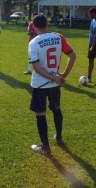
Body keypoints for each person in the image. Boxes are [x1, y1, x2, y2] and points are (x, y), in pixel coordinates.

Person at [28, 15, 76, 157]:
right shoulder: (58, 37)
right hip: (55, 84)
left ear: (34, 27)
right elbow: (72, 56)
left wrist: (54, 77)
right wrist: (62, 76)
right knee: (56, 109)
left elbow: (36, 67)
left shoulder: (34, 42)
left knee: (40, 114)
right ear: (47, 24)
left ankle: (45, 148)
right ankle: (59, 137)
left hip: (39, 84)